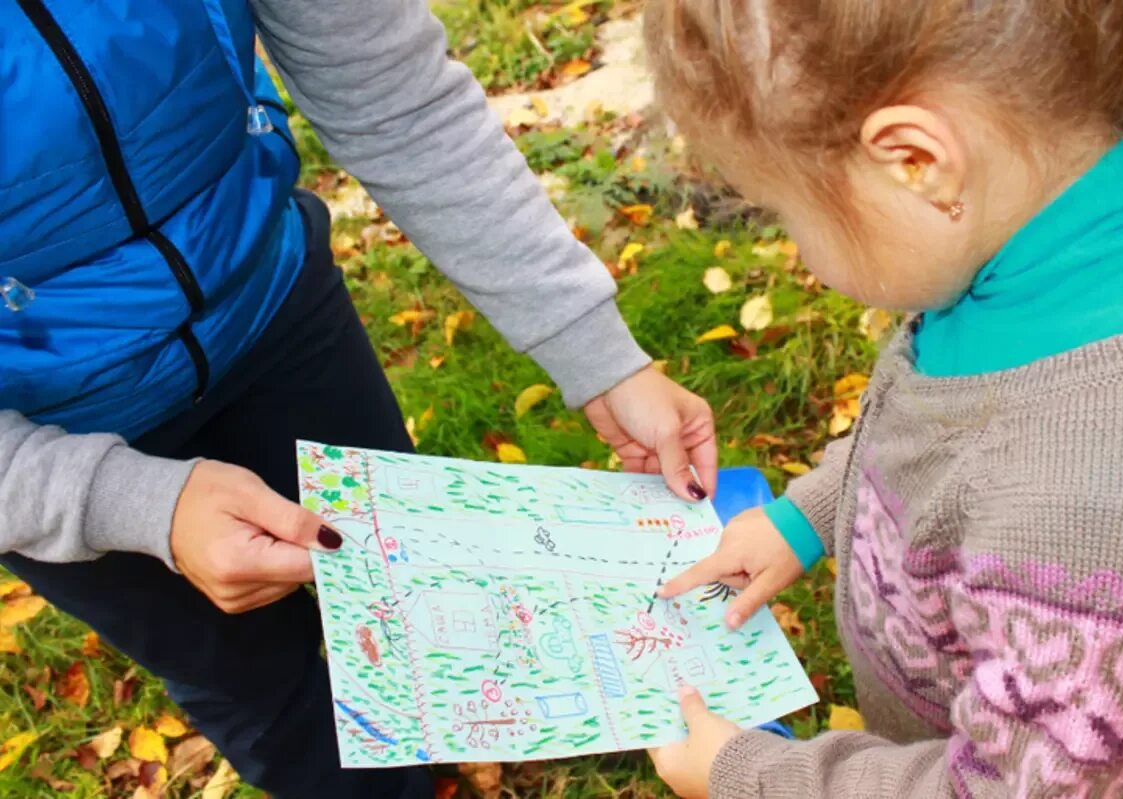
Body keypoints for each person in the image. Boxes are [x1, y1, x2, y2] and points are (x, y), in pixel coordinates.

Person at [0, 1, 716, 797]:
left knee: (407, 593)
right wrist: (129, 504)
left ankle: (437, 753)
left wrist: (599, 356)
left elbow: (395, 99)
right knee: (258, 686)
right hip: (45, 426)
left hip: (270, 297)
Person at [642, 0, 1123, 796]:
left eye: (786, 212)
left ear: (914, 160)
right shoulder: (1037, 241)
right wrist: (810, 516)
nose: (799, 247)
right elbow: (931, 432)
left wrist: (753, 776)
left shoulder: (1106, 511)